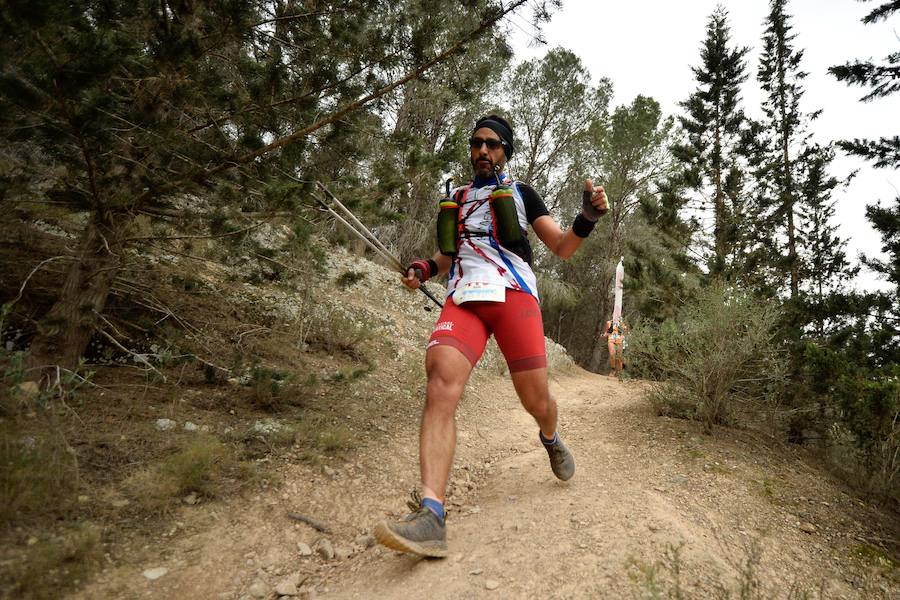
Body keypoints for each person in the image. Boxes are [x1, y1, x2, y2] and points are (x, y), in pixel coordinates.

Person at [373, 114, 608, 558]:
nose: (483, 151)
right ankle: (432, 516)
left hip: (513, 295)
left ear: (506, 151)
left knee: (536, 401)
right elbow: (447, 255)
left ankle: (550, 437)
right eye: (476, 143)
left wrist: (587, 218)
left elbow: (562, 246)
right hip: (463, 297)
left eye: (493, 144)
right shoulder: (457, 198)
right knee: (440, 380)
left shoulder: (522, 194)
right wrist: (424, 268)